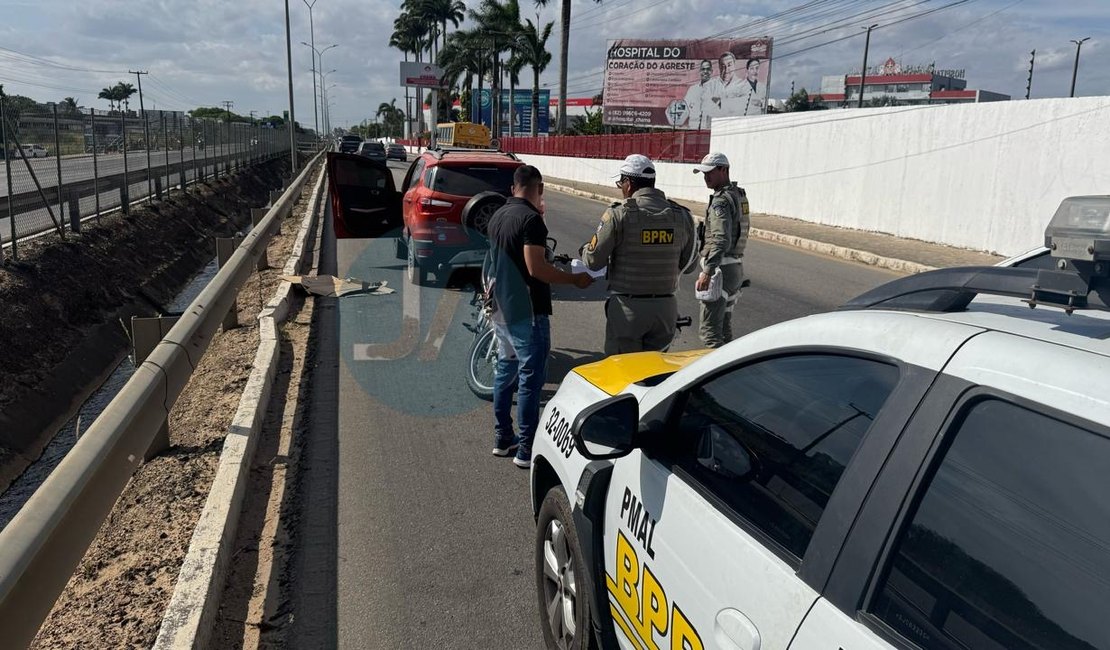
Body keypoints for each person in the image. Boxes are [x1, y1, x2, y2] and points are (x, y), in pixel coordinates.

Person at [485, 165, 592, 468]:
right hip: (527, 312)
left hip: (501, 310)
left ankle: (503, 438)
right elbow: (537, 269)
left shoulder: (498, 215)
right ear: (539, 188)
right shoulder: (531, 220)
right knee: (531, 379)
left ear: (513, 187)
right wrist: (575, 280)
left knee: (505, 373)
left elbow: (493, 264)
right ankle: (526, 448)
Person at [581, 154, 696, 355]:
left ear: (629, 183)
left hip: (628, 309)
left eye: (621, 183)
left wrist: (584, 250)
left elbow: (593, 261)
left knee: (622, 374)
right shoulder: (681, 215)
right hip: (666, 310)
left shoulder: (619, 214)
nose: (621, 189)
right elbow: (689, 265)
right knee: (655, 375)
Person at [692, 151, 750, 348]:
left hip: (720, 270)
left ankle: (714, 375)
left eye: (710, 172)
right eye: (704, 173)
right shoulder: (738, 195)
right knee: (724, 328)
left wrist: (707, 271)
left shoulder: (721, 200)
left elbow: (720, 238)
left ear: (724, 170)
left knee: (710, 333)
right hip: (735, 268)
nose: (706, 177)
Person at [683, 59, 721, 130]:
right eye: (703, 69)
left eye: (708, 69)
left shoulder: (717, 88)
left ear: (711, 72)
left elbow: (721, 108)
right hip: (692, 128)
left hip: (708, 129)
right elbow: (684, 108)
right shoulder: (692, 90)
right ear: (700, 71)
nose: (705, 71)